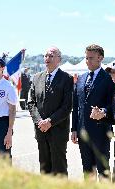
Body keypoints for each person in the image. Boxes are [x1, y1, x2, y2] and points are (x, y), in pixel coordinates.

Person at [71, 44, 115, 180]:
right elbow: (76, 106)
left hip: (101, 131)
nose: (87, 61)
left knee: (103, 170)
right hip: (83, 131)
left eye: (91, 58)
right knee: (87, 169)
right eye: (86, 58)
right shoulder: (81, 79)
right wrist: (74, 129)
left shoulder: (109, 78)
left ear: (100, 58)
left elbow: (113, 103)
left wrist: (103, 111)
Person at [28, 46, 73, 176]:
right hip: (41, 130)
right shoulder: (36, 78)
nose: (48, 58)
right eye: (46, 55)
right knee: (44, 167)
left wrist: (50, 121)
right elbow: (31, 103)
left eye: (52, 55)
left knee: (59, 168)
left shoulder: (67, 78)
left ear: (59, 59)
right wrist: (39, 122)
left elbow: (67, 106)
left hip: (58, 131)